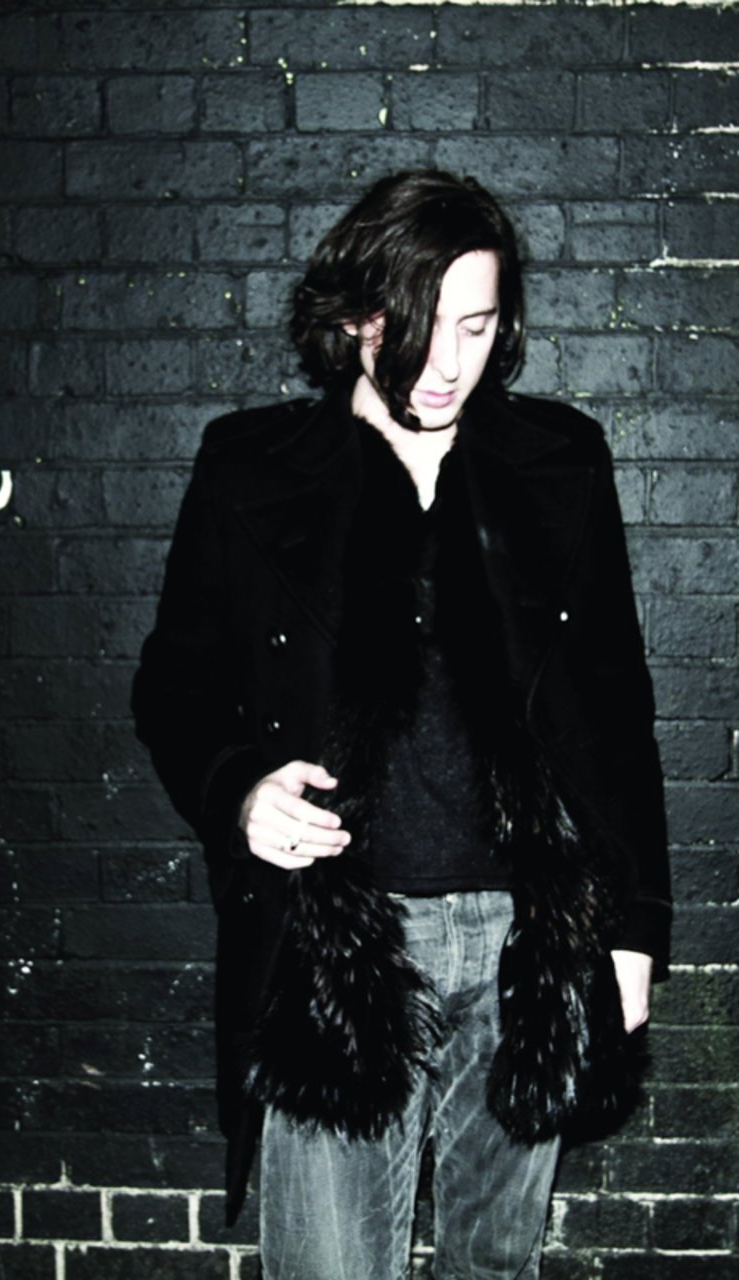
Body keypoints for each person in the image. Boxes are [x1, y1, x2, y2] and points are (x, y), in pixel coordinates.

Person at [130, 170, 671, 1279]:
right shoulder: (250, 469)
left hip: (527, 939)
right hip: (341, 938)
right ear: (354, 318)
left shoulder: (559, 463)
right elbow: (173, 687)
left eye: (476, 325)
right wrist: (239, 789)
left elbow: (614, 710)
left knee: (493, 1266)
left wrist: (632, 929)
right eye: (419, 325)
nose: (448, 361)